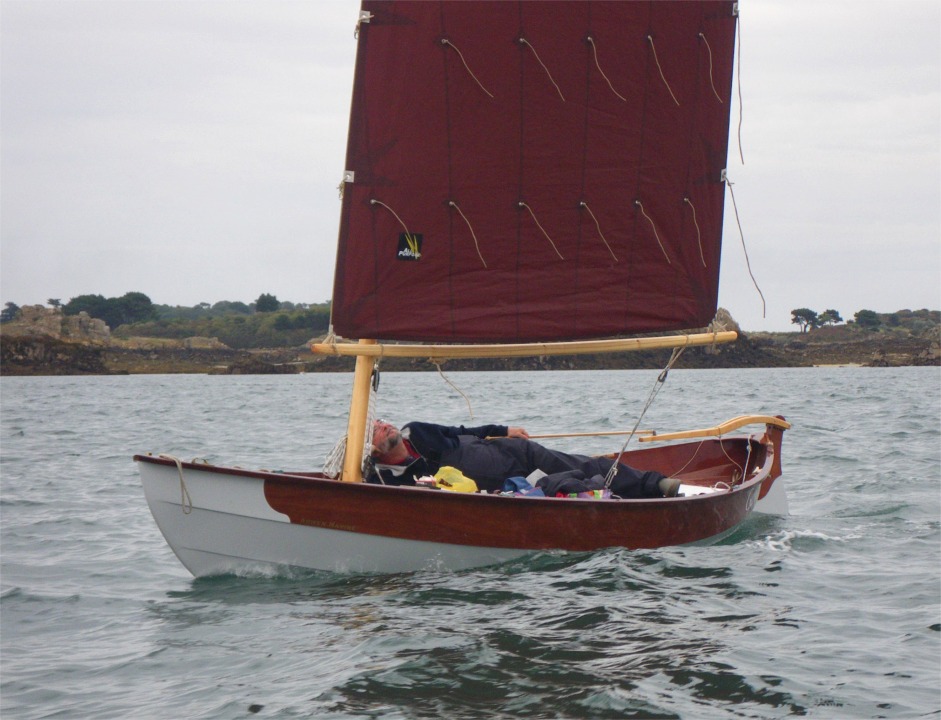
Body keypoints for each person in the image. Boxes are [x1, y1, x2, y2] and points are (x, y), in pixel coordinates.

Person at [367, 420, 680, 498]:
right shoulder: (389, 477)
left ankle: (655, 484)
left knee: (582, 464)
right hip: (508, 485)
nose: (382, 425)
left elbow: (461, 430)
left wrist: (504, 429)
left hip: (515, 452)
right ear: (375, 450)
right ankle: (617, 498)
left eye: (382, 422)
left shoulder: (417, 431)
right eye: (374, 430)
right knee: (567, 484)